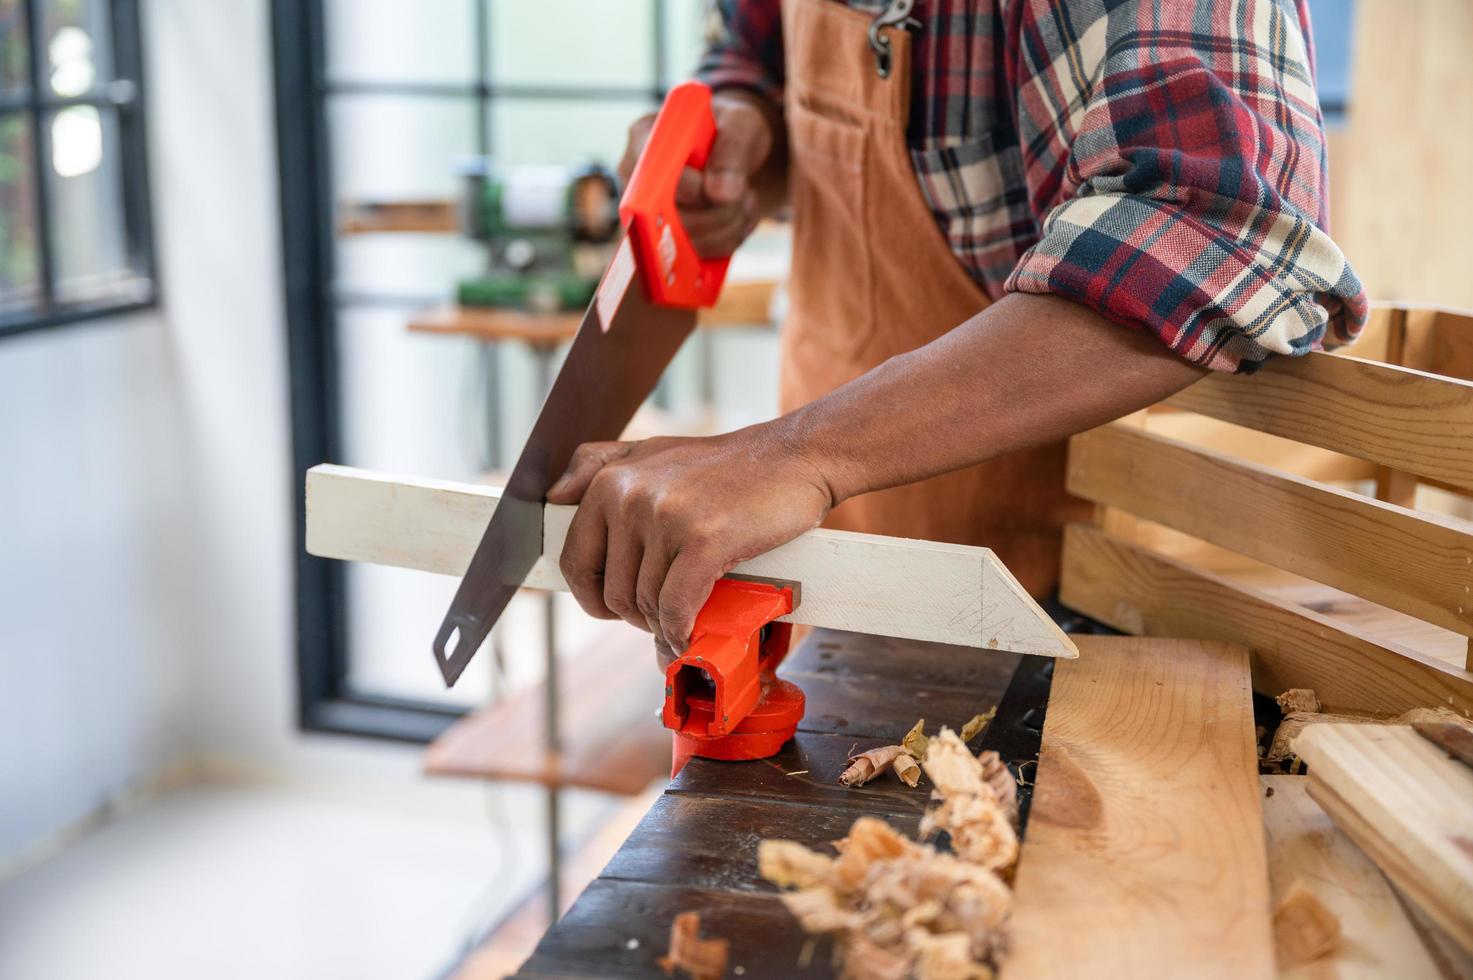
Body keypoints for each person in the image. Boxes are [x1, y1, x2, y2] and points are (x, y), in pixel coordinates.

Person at [546, 0, 1367, 663]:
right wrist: (741, 123)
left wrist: (793, 453)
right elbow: (752, 44)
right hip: (845, 555)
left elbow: (1217, 228)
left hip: (1094, 599)